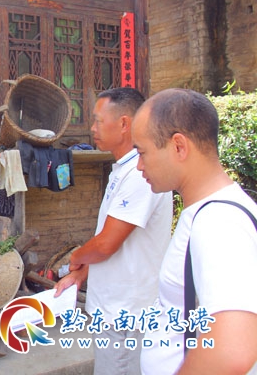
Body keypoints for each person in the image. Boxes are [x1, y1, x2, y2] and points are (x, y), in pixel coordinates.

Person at [132, 88, 257, 374]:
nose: (139, 165)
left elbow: (231, 350)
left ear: (179, 146)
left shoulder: (219, 222)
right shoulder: (208, 214)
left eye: (142, 152)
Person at [53, 87, 173, 375]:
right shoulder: (124, 168)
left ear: (124, 124)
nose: (92, 129)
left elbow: (106, 243)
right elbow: (116, 243)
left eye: (98, 121)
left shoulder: (141, 174)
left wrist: (76, 258)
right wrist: (82, 273)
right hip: (113, 307)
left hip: (127, 311)